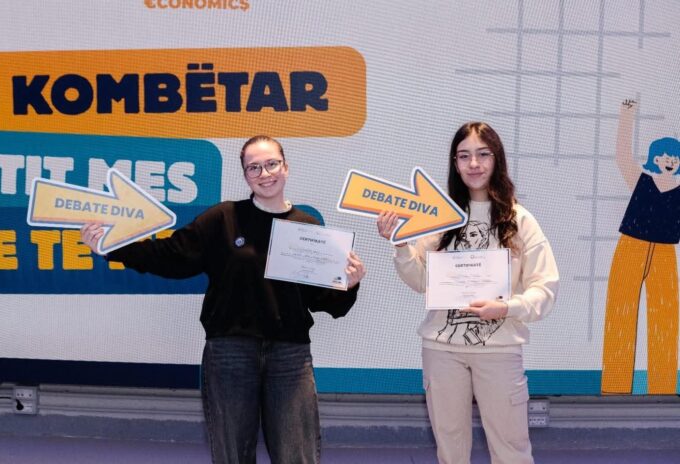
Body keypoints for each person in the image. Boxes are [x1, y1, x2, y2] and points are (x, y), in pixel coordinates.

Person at [81, 135, 366, 464]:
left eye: (271, 164)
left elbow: (325, 302)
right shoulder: (222, 219)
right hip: (230, 352)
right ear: (245, 175)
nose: (264, 173)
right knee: (232, 456)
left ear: (286, 168)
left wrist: (350, 284)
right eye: (254, 167)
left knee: (296, 456)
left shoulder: (308, 228)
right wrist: (111, 247)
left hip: (290, 357)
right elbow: (169, 256)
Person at [376, 122, 558, 464]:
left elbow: (545, 287)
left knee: (512, 450)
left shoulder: (519, 220)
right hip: (441, 350)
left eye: (482, 154)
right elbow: (422, 281)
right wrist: (400, 246)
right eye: (464, 156)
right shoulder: (441, 217)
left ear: (497, 159)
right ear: (455, 163)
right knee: (450, 449)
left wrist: (507, 308)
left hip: (500, 349)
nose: (474, 164)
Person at [602, 99, 680, 395]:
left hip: (665, 253)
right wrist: (627, 115)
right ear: (654, 158)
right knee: (620, 314)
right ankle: (614, 389)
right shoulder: (641, 179)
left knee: (666, 321)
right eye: (665, 157)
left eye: (675, 158)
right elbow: (623, 155)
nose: (670, 162)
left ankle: (664, 391)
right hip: (630, 247)